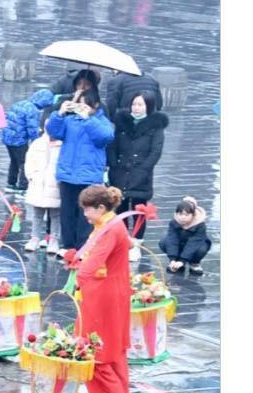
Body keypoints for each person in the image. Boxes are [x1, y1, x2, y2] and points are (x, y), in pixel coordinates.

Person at [69, 186, 133, 393]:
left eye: (88, 209)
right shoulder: (112, 224)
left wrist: (77, 278)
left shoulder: (108, 229)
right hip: (113, 290)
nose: (85, 214)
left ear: (101, 208)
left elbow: (95, 259)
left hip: (101, 293)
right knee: (113, 347)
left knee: (94, 345)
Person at [45, 90, 115, 253]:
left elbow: (105, 137)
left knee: (87, 214)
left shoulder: (101, 121)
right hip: (68, 173)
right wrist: (60, 113)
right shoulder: (71, 120)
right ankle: (68, 246)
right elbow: (53, 132)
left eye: (86, 104)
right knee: (67, 213)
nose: (81, 108)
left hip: (88, 176)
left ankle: (83, 247)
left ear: (95, 105)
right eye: (80, 104)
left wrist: (88, 119)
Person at [108, 94, 168, 237]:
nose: (136, 108)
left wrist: (144, 169)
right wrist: (114, 165)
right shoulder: (122, 124)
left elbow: (155, 152)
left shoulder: (155, 127)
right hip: (121, 172)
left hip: (141, 174)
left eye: (140, 105)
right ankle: (122, 239)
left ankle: (136, 241)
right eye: (134, 104)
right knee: (120, 208)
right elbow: (112, 147)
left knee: (138, 210)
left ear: (148, 107)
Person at [22, 108, 64, 253]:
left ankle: (54, 239)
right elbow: (29, 162)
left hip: (55, 185)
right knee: (37, 213)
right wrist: (32, 176)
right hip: (38, 184)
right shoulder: (38, 143)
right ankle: (34, 237)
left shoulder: (62, 144)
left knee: (55, 214)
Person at [1, 89, 58, 191]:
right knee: (24, 163)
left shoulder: (20, 103)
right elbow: (32, 128)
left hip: (8, 137)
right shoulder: (33, 110)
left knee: (14, 160)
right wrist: (37, 141)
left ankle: (11, 183)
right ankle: (22, 187)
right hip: (19, 139)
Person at [160, 197, 210, 275]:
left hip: (196, 245)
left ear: (193, 215)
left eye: (186, 215)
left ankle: (194, 263)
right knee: (164, 242)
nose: (183, 217)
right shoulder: (174, 222)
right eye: (180, 214)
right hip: (180, 244)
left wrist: (183, 260)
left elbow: (193, 243)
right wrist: (172, 259)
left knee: (201, 249)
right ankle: (175, 262)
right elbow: (172, 239)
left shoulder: (200, 225)